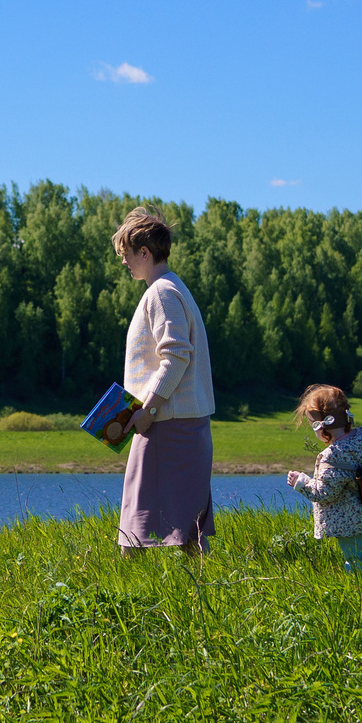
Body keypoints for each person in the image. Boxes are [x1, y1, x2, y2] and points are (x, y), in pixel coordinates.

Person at [113, 206, 216, 556]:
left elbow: (176, 356)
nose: (123, 261)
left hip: (166, 423)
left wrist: (148, 410)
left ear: (145, 252)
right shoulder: (172, 287)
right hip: (181, 423)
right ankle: (200, 586)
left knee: (135, 522)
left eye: (126, 254)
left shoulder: (161, 292)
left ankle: (126, 584)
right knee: (187, 527)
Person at [284, 384, 362, 568]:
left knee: (357, 561)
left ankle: (360, 584)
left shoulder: (332, 456)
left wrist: (301, 482)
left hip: (353, 523)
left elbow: (324, 493)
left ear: (320, 426)